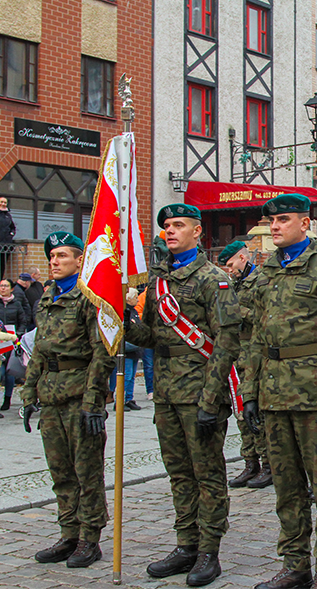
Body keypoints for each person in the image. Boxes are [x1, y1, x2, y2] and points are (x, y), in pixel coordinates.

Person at [242, 194, 317, 589]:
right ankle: (295, 565)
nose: (274, 226)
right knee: (287, 489)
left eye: (283, 219)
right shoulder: (265, 272)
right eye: (271, 220)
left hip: (314, 396)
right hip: (275, 396)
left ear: (305, 224)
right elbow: (257, 337)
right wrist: (251, 394)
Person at [126, 204, 240, 587]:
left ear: (197, 233)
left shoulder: (214, 279)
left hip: (200, 392)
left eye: (178, 226)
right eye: (166, 227)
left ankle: (209, 550)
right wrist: (123, 321)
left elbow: (226, 342)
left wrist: (212, 398)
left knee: (207, 473)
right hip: (167, 392)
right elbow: (150, 338)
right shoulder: (159, 282)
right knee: (179, 474)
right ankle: (185, 544)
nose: (170, 232)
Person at [20, 232, 115, 567]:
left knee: (87, 473)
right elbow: (39, 354)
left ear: (79, 261)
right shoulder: (46, 300)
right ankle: (68, 533)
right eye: (52, 256)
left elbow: (102, 354)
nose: (54, 261)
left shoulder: (89, 298)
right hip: (51, 396)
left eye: (62, 256)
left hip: (79, 396)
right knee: (61, 472)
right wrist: (28, 394)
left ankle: (90, 538)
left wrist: (94, 402)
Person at [220, 241, 272, 491]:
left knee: (258, 412)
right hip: (237, 355)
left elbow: (266, 317)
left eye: (231, 265)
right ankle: (250, 461)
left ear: (243, 257)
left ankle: (268, 463)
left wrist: (237, 310)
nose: (230, 270)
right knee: (241, 413)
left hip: (256, 355)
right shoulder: (232, 284)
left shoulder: (261, 281)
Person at [0, 278, 27, 411]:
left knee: (9, 371)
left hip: (11, 339)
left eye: (5, 286)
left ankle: (7, 399)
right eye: (1, 286)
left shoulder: (16, 304)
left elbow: (23, 320)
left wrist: (18, 334)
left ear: (11, 288)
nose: (3, 288)